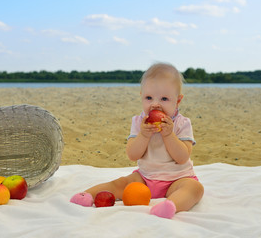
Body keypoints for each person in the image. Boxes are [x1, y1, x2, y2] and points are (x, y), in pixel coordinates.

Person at [70, 62, 204, 219]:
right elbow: (133, 155)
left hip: (177, 178)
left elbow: (182, 158)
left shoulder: (182, 123)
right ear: (141, 96)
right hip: (145, 178)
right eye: (149, 97)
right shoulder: (139, 122)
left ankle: (170, 206)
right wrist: (144, 135)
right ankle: (87, 195)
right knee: (121, 183)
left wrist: (169, 135)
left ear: (178, 101)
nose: (155, 104)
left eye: (164, 98)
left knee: (194, 188)